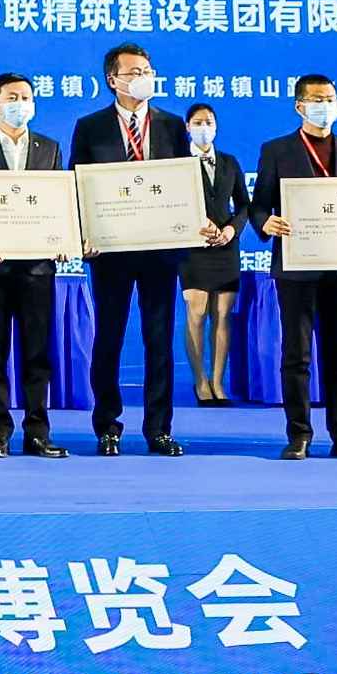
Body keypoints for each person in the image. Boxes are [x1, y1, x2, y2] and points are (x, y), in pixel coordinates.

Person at [68, 43, 188, 456]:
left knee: (159, 340)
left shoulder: (172, 126)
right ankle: (107, 426)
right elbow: (78, 185)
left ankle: (159, 429)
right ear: (113, 80)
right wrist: (83, 233)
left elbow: (184, 183)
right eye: (135, 72)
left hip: (160, 250)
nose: (143, 78)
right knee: (110, 337)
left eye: (148, 71)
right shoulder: (91, 127)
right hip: (111, 251)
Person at [252, 71, 337, 461]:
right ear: (300, 106)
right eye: (318, 100)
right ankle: (299, 434)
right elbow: (259, 205)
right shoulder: (277, 150)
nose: (326, 106)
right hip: (297, 266)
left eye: (331, 99)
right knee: (297, 355)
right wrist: (265, 223)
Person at [0, 72, 65, 457]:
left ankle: (38, 432)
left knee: (37, 354)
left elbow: (59, 203)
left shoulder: (49, 148)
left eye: (26, 97)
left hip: (37, 269)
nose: (20, 104)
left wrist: (61, 239)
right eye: (12, 97)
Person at [180, 102, 250, 406]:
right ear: (187, 127)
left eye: (209, 122)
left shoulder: (230, 162)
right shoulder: (179, 163)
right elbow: (171, 203)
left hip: (226, 247)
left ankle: (218, 381)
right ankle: (200, 381)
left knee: (222, 315)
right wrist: (196, 224)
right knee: (197, 314)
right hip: (193, 247)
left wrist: (232, 230)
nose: (204, 127)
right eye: (198, 122)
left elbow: (244, 205)